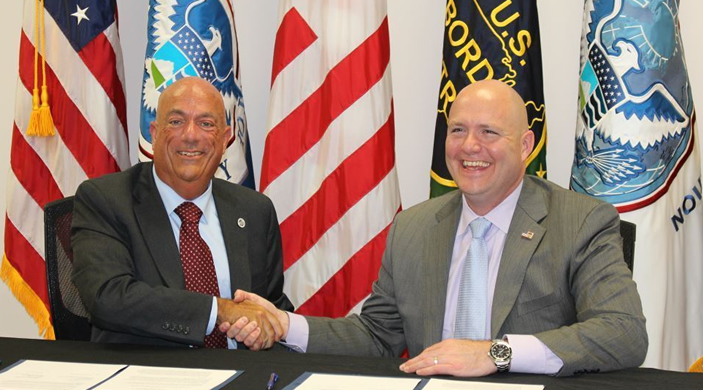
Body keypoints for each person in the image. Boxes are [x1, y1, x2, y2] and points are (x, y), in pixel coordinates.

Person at [221, 79, 648, 376]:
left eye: (489, 132)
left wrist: (496, 354)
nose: (469, 147)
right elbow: (377, 336)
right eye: (457, 129)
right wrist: (283, 323)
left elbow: (623, 334)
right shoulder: (414, 227)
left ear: (525, 146)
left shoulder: (581, 221)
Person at [72, 77, 292, 349]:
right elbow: (108, 296)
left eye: (206, 123)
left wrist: (269, 330)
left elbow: (272, 306)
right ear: (153, 133)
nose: (191, 135)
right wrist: (220, 310)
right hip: (149, 375)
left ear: (224, 140)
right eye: (176, 122)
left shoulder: (255, 210)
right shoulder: (106, 200)